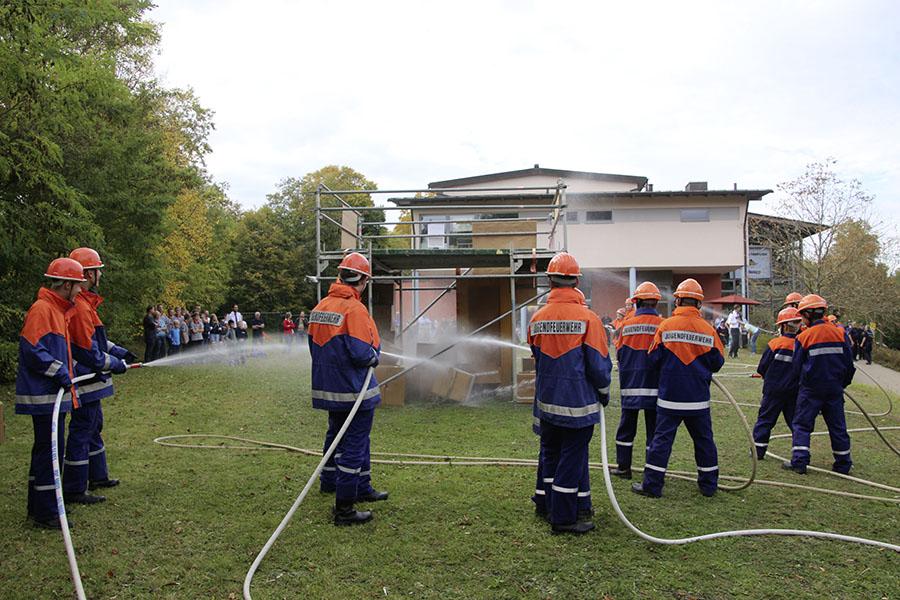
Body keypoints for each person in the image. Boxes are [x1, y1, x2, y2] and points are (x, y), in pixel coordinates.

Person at [529, 252, 611, 534]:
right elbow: (599, 366)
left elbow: (537, 356)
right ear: (576, 280)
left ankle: (546, 502)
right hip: (578, 404)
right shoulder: (589, 319)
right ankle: (563, 518)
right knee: (572, 458)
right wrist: (604, 392)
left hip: (547, 401)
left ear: (549, 280)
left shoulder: (537, 318)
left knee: (550, 453)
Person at [308, 252, 386, 526]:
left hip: (329, 388)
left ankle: (336, 483)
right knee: (355, 442)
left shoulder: (321, 306)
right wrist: (374, 355)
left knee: (336, 435)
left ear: (340, 275)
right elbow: (361, 352)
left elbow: (314, 348)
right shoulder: (354, 309)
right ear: (363, 280)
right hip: (355, 389)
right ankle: (344, 508)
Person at [632, 278, 725, 499]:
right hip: (698, 400)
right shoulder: (708, 330)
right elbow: (718, 362)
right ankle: (709, 485)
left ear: (678, 301)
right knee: (704, 442)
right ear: (699, 304)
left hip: (669, 398)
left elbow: (653, 359)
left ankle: (652, 486)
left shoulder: (665, 327)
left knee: (661, 442)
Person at [16, 258, 85, 528]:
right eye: (77, 285)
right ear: (66, 284)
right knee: (50, 452)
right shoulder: (43, 309)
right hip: (43, 395)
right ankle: (46, 514)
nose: (80, 291)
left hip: (50, 394)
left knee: (46, 449)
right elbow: (32, 349)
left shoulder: (57, 311)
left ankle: (39, 506)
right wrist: (58, 371)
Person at [64, 247, 137, 504]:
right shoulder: (81, 307)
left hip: (92, 378)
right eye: (97, 271)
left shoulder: (86, 304)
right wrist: (115, 364)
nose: (100, 276)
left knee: (94, 426)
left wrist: (119, 351)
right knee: (83, 429)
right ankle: (75, 488)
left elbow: (97, 340)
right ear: (87, 274)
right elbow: (88, 351)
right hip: (85, 378)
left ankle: (97, 475)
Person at [783, 294, 856, 475]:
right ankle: (843, 463)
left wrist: (799, 385)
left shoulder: (804, 337)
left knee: (801, 424)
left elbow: (796, 367)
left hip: (811, 389)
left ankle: (799, 462)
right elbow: (849, 364)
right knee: (837, 426)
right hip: (834, 388)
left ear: (807, 314)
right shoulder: (840, 333)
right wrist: (842, 384)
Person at [611, 281, 664, 480]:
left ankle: (624, 468)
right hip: (656, 387)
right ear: (656, 303)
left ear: (636, 302)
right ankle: (652, 470)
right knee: (654, 431)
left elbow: (620, 353)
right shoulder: (663, 325)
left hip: (631, 385)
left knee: (626, 428)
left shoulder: (626, 326)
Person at [752, 307, 802, 460]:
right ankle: (800, 454)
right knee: (796, 423)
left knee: (765, 420)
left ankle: (758, 452)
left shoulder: (775, 344)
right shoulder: (801, 345)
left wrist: (766, 375)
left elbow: (762, 367)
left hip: (773, 392)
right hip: (793, 392)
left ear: (784, 326)